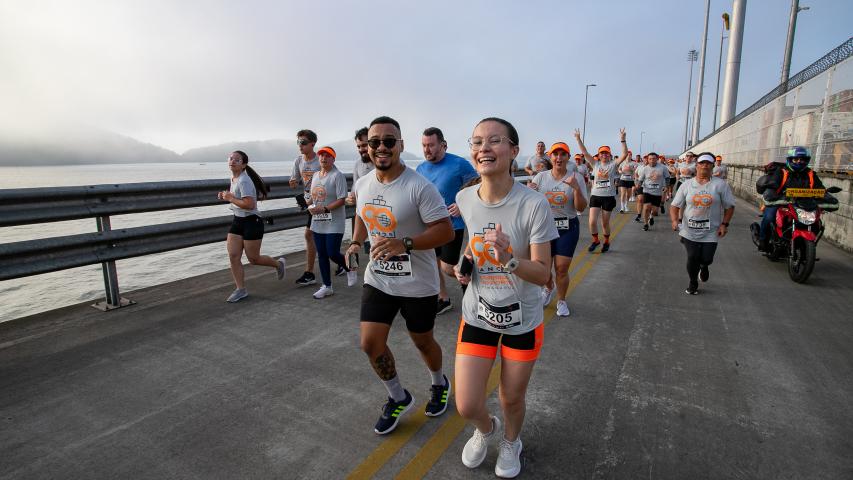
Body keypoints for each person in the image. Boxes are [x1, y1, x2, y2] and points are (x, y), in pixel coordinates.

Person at [453, 117, 558, 478]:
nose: (484, 147)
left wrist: (509, 260)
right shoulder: (465, 198)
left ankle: (512, 441)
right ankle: (487, 429)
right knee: (467, 405)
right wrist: (466, 263)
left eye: (494, 140)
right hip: (478, 312)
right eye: (477, 141)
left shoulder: (534, 205)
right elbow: (474, 242)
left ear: (513, 151)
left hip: (522, 319)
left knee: (511, 397)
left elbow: (543, 274)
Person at [344, 116, 455, 435]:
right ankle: (398, 396)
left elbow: (445, 231)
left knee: (423, 341)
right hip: (379, 278)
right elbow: (362, 215)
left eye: (389, 141)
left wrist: (404, 243)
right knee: (370, 344)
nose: (381, 147)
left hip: (417, 284)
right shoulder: (363, 183)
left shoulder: (419, 187)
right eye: (374, 142)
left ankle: (439, 382)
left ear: (401, 145)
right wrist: (355, 242)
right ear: (367, 147)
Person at [417, 127, 479, 315]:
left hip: (453, 225)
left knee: (447, 267)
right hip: (429, 225)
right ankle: (443, 298)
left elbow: (479, 186)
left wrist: (461, 205)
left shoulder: (459, 164)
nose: (426, 149)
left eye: (431, 145)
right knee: (433, 263)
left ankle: (473, 283)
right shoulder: (420, 168)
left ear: (443, 145)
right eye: (424, 145)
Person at [529, 142, 588, 316]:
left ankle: (561, 301)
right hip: (544, 228)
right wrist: (528, 192)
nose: (559, 158)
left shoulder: (576, 177)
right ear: (550, 157)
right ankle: (548, 288)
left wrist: (576, 189)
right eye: (555, 154)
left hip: (567, 227)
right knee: (543, 269)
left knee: (561, 269)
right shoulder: (540, 177)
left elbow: (581, 208)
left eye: (563, 154)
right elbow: (530, 204)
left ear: (568, 157)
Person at [219, 151, 286, 303]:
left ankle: (278, 264)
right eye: (231, 158)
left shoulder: (244, 180)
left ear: (243, 165)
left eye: (237, 160)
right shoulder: (234, 178)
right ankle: (240, 289)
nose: (232, 161)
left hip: (252, 222)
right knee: (233, 256)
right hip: (237, 220)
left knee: (254, 259)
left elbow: (249, 205)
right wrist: (226, 196)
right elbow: (238, 199)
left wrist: (230, 198)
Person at [670, 152, 735, 294]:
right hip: (689, 229)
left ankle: (704, 266)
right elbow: (674, 206)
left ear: (712, 166)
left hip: (711, 230)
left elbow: (729, 207)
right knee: (692, 256)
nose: (705, 165)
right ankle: (693, 282)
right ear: (697, 165)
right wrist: (675, 220)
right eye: (702, 163)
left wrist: (724, 224)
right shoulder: (686, 185)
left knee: (707, 258)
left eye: (708, 163)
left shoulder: (720, 185)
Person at [307, 146, 357, 299]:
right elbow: (313, 196)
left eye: (327, 156)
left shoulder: (337, 175)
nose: (323, 158)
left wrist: (325, 209)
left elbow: (342, 199)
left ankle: (351, 267)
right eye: (321, 155)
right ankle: (327, 286)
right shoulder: (315, 175)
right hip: (318, 221)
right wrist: (309, 203)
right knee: (322, 254)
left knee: (332, 252)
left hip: (334, 221)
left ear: (333, 159)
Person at [756, 146, 825, 252]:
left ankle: (804, 245)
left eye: (802, 159)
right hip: (780, 202)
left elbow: (820, 189)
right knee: (769, 217)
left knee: (817, 222)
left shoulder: (811, 174)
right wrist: (772, 194)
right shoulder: (781, 172)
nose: (799, 162)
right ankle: (763, 241)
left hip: (803, 205)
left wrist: (827, 197)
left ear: (806, 160)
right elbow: (772, 186)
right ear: (790, 159)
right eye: (796, 159)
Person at [574, 128, 630, 252]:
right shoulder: (595, 164)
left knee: (604, 223)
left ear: (609, 155)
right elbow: (585, 152)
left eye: (606, 153)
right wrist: (578, 139)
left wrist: (623, 140)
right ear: (599, 155)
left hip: (608, 197)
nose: (604, 155)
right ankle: (595, 240)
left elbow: (624, 154)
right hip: (595, 196)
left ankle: (606, 241)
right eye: (602, 153)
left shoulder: (613, 164)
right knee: (592, 221)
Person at [289, 129, 321, 287]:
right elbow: (294, 180)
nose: (300, 146)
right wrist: (293, 182)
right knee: (314, 236)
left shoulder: (320, 160)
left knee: (311, 235)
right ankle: (343, 263)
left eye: (303, 142)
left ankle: (310, 273)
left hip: (321, 202)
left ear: (312, 144)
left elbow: (329, 178)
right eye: (298, 142)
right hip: (309, 202)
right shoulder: (298, 161)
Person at [347, 127, 374, 255]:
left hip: (385, 217)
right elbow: (355, 187)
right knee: (372, 256)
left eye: (364, 145)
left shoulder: (386, 162)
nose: (361, 149)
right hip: (366, 219)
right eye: (358, 146)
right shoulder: (358, 164)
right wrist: (351, 197)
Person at [636, 152, 670, 231]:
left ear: (657, 159)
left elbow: (667, 178)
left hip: (657, 193)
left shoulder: (663, 167)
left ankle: (651, 216)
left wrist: (666, 186)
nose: (652, 160)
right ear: (648, 159)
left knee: (655, 211)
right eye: (650, 159)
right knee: (646, 208)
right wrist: (638, 185)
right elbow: (640, 179)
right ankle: (645, 224)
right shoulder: (645, 169)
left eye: (654, 159)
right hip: (647, 191)